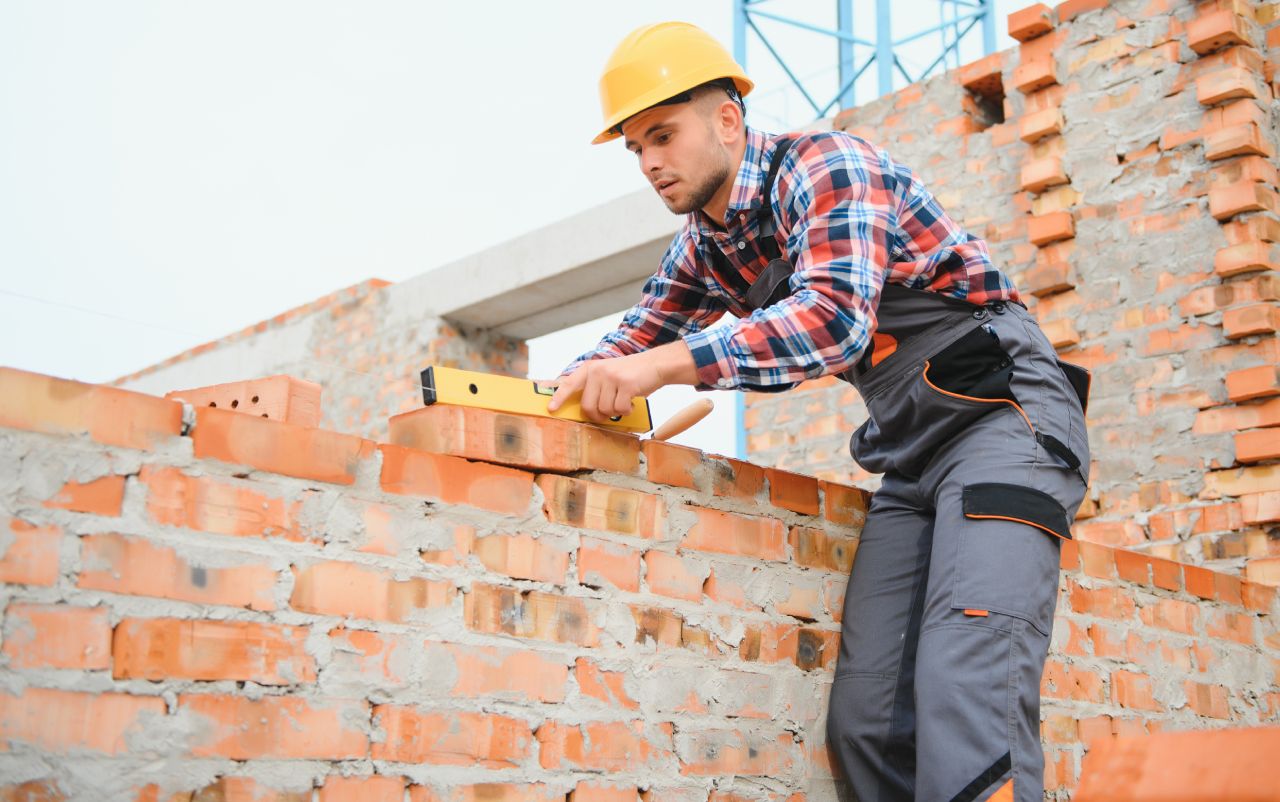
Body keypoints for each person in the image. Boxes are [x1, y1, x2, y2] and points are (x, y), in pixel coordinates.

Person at [549, 20, 1092, 802]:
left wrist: (658, 368)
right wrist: (561, 397)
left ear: (728, 121)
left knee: (967, 684)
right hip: (912, 455)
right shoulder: (702, 246)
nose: (650, 163)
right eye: (636, 147)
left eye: (662, 136)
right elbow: (630, 340)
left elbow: (835, 321)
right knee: (868, 722)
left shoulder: (827, 164)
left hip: (1005, 420)